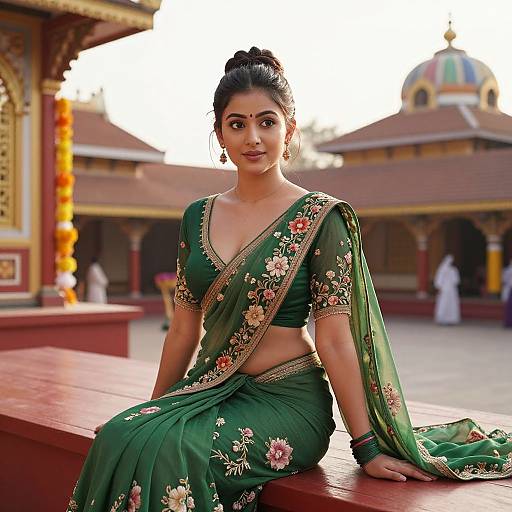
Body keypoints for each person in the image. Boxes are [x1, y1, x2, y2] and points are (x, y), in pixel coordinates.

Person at [66, 48, 512, 512]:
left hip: (290, 402)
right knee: (126, 437)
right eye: (236, 124)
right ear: (219, 134)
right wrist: (152, 414)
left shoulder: (321, 218)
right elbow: (182, 329)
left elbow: (336, 342)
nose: (252, 137)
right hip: (211, 388)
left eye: (267, 122)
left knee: (175, 453)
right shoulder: (197, 217)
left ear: (289, 129)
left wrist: (366, 446)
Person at [433, 254, 461, 325]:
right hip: (449, 290)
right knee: (447, 304)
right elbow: (456, 280)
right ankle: (447, 319)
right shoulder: (451, 270)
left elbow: (439, 280)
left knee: (447, 304)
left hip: (447, 289)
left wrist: (439, 287)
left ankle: (447, 319)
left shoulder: (445, 269)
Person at [503, 259, 512, 327]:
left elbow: (504, 279)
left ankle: (508, 323)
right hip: (509, 289)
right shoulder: (507, 270)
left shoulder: (506, 270)